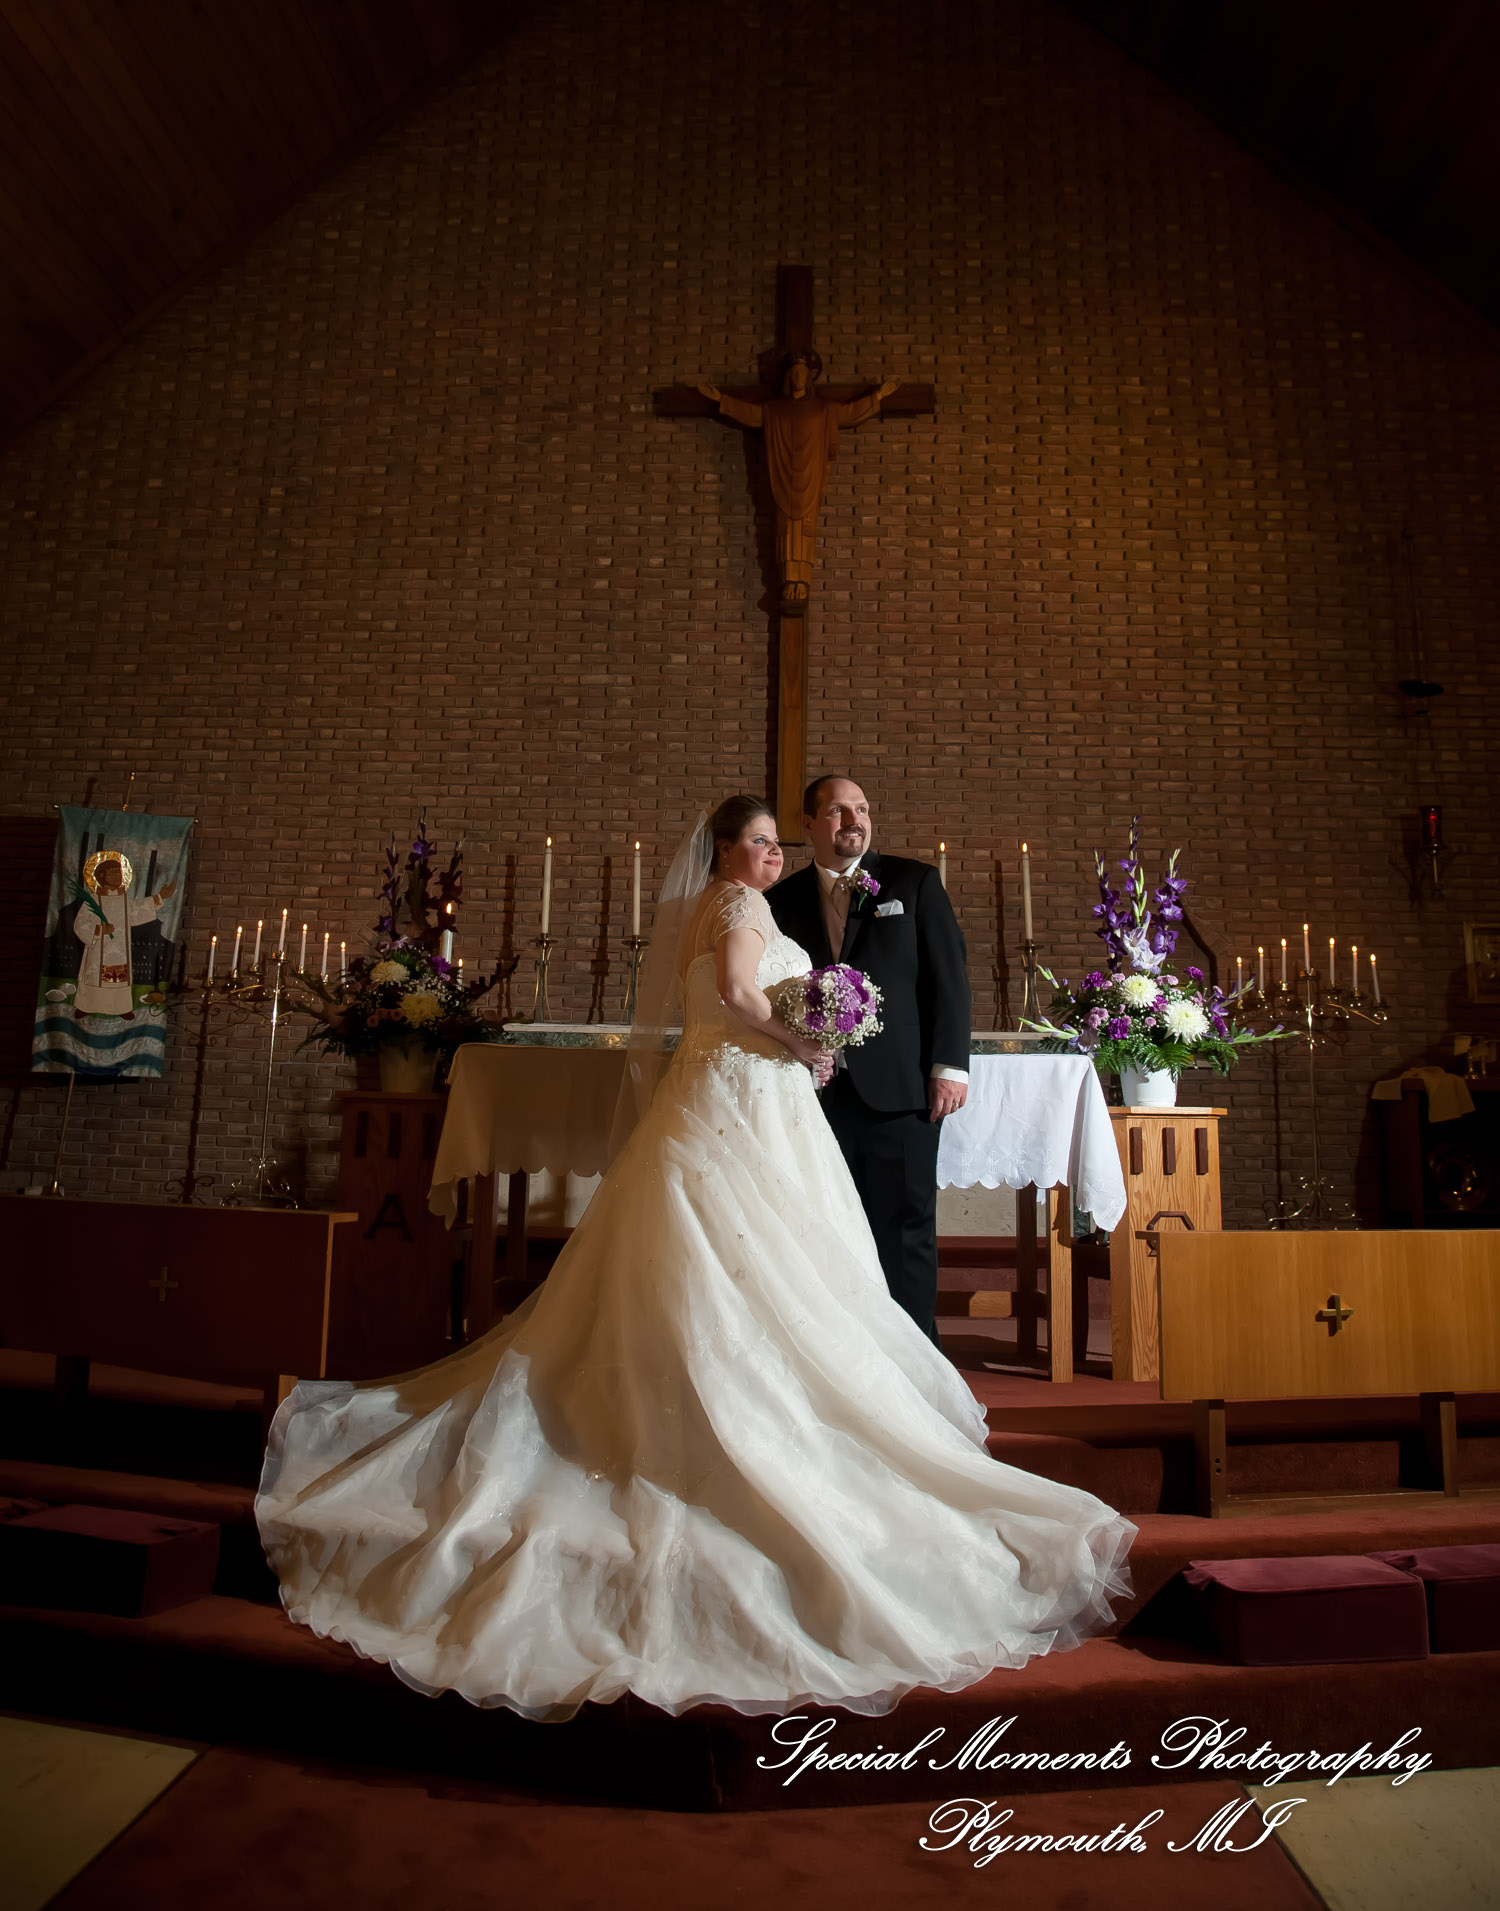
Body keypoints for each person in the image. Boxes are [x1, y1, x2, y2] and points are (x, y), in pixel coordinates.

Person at [256, 796, 1132, 1721]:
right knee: (741, 1257)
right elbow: (740, 997)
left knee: (760, 1255)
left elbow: (738, 998)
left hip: (747, 1098)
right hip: (746, 1092)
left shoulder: (747, 903)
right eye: (756, 841)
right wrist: (803, 1037)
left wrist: (806, 1036)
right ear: (723, 849)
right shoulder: (746, 907)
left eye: (772, 843)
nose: (769, 853)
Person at [767, 776, 967, 1345]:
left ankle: (918, 1361)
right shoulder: (779, 900)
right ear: (808, 825)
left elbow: (947, 980)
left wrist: (949, 1066)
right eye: (836, 811)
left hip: (900, 1089)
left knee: (907, 1230)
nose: (852, 820)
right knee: (823, 1229)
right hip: (809, 1094)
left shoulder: (913, 882)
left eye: (860, 809)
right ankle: (841, 1358)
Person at [698, 354, 900, 606]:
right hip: (783, 476)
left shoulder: (823, 408)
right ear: (787, 377)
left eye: (802, 373)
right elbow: (751, 413)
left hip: (811, 479)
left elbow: (849, 413)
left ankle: (802, 581)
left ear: (808, 377)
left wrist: (878, 396)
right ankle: (787, 580)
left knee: (805, 528)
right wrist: (722, 400)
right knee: (785, 529)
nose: (798, 377)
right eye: (794, 373)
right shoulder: (775, 409)